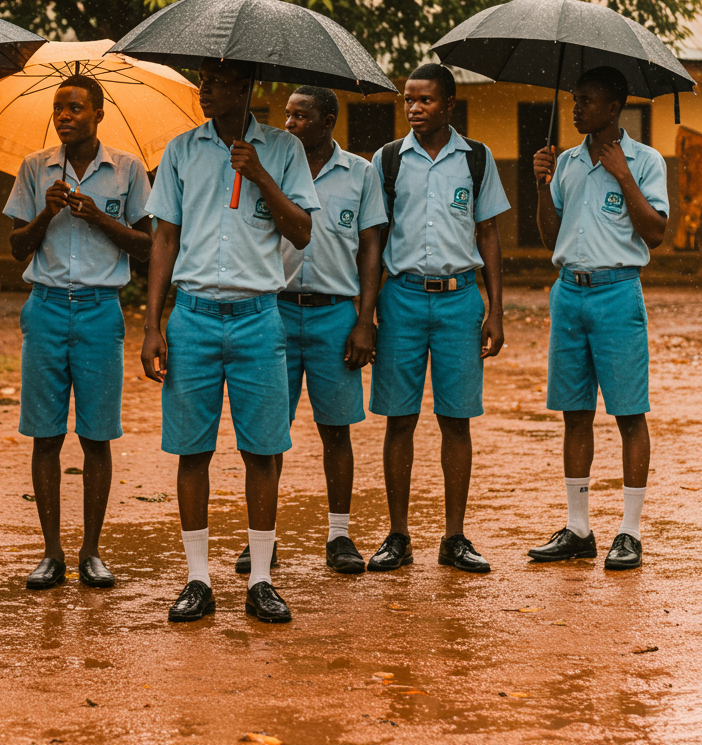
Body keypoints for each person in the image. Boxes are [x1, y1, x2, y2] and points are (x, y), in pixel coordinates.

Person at [142, 60, 320, 624]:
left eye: (216, 83)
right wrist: (153, 323)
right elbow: (164, 236)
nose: (204, 90)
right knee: (191, 448)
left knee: (262, 448)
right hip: (192, 316)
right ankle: (197, 580)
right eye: (201, 81)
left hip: (258, 317)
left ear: (246, 89)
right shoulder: (180, 151)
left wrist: (261, 174)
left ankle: (262, 580)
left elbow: (302, 231)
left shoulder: (284, 150)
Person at [6, 74, 152, 590]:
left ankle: (91, 552)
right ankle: (51, 553)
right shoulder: (34, 168)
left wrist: (97, 219)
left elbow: (148, 246)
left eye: (75, 108)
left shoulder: (128, 171)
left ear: (98, 113)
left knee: (96, 436)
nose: (64, 116)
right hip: (45, 309)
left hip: (99, 310)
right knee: (45, 436)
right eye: (58, 108)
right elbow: (17, 247)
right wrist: (46, 212)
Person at [368, 63, 508, 574]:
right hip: (401, 299)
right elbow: (374, 241)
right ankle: (398, 535)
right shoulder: (387, 161)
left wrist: (496, 309)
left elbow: (488, 233)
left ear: (450, 103)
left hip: (459, 301)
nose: (414, 108)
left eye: (425, 100)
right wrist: (367, 313)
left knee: (457, 420)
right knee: (398, 419)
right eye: (409, 100)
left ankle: (454, 537)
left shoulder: (476, 158)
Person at [527, 67, 666, 571]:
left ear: (614, 107)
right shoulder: (564, 162)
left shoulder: (646, 161)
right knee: (574, 412)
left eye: (585, 101)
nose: (576, 108)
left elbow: (654, 234)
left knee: (629, 413)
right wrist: (542, 186)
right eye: (573, 99)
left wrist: (623, 176)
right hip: (569, 295)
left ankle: (628, 532)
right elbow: (550, 240)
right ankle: (579, 527)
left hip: (617, 294)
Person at [244, 84, 385, 575]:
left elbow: (371, 248)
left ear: (329, 120)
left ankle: (339, 535)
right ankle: (264, 539)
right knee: (267, 432)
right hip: (273, 311)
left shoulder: (361, 173)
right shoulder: (272, 167)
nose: (290, 124)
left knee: (336, 430)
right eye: (287, 115)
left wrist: (365, 320)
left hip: (334, 314)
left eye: (301, 116)